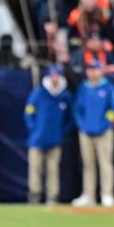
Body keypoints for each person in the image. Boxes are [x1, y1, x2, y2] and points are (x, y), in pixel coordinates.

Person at [72, 59, 114, 208]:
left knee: (105, 163)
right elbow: (77, 109)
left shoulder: (109, 88)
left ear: (101, 70)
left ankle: (107, 195)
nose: (92, 72)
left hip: (104, 132)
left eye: (95, 69)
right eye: (90, 69)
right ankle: (89, 195)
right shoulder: (83, 88)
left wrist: (105, 125)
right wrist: (82, 125)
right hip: (86, 132)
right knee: (88, 164)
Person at [25, 66, 72, 204]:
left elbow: (70, 118)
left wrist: (62, 132)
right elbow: (28, 112)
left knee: (53, 169)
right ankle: (34, 194)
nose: (55, 78)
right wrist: (34, 128)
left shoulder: (65, 96)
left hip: (55, 139)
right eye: (53, 75)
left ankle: (52, 195)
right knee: (35, 167)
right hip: (37, 139)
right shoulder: (38, 93)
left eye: (57, 75)